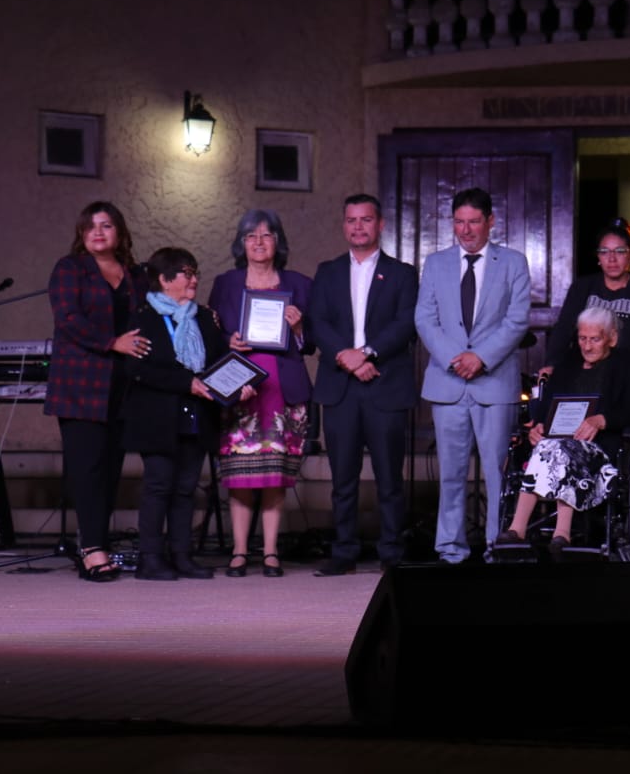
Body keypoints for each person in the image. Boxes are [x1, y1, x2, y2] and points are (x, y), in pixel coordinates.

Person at [417, 187, 531, 564]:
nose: (465, 230)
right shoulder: (435, 264)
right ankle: (450, 548)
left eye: (474, 222)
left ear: (490, 222)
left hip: (493, 382)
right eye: (459, 222)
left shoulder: (513, 262)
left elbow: (517, 321)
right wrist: (455, 358)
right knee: (451, 473)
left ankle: (497, 545)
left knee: (497, 473)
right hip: (448, 382)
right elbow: (425, 319)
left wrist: (480, 358)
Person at [309, 194, 418, 576]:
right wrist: (346, 357)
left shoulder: (403, 273)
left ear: (380, 224)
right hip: (340, 386)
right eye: (351, 220)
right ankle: (344, 551)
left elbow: (405, 323)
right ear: (344, 225)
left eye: (366, 220)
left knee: (390, 477)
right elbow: (317, 322)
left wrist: (367, 354)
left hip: (384, 382)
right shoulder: (328, 271)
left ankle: (391, 550)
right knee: (343, 477)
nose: (358, 226)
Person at [45, 202, 149, 582]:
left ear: (119, 232)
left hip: (124, 385)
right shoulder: (70, 269)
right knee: (87, 469)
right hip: (81, 384)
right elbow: (68, 320)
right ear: (81, 234)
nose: (98, 232)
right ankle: (91, 549)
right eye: (90, 226)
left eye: (106, 226)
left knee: (110, 469)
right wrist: (112, 343)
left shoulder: (136, 275)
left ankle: (97, 540)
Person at [123, 247, 239, 581]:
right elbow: (137, 369)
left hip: (197, 415)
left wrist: (237, 384)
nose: (194, 279)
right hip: (157, 416)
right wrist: (186, 382)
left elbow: (217, 362)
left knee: (187, 487)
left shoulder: (204, 317)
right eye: (186, 273)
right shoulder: (143, 317)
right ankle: (150, 559)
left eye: (195, 272)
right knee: (159, 486)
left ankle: (182, 555)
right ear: (163, 279)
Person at [207, 210, 312, 578]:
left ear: (278, 242)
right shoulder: (226, 283)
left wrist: (299, 327)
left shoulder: (299, 283)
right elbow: (209, 334)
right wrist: (227, 342)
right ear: (241, 243)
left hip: (284, 387)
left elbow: (311, 344)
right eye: (251, 236)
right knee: (239, 472)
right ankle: (238, 551)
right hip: (242, 387)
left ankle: (269, 551)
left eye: (267, 235)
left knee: (275, 472)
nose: (258, 242)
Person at [497, 307, 630, 556]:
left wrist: (602, 419)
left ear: (612, 337)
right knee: (549, 446)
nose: (587, 347)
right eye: (582, 338)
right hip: (556, 444)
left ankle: (560, 531)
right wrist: (538, 427)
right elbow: (546, 408)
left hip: (599, 448)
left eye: (594, 339)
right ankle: (517, 530)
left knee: (563, 450)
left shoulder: (625, 365)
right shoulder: (568, 362)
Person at [540, 218, 630, 375]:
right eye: (604, 252)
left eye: (620, 251)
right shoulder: (582, 287)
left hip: (626, 375)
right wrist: (552, 364)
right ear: (598, 257)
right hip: (583, 372)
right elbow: (563, 329)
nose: (612, 259)